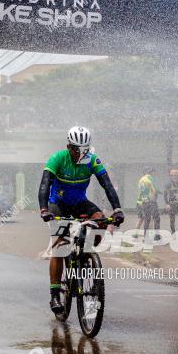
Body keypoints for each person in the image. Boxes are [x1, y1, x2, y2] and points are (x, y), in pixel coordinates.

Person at [39, 126, 125, 315]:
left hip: (79, 203)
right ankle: (55, 294)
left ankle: (84, 256)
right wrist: (44, 209)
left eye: (85, 149)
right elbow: (45, 184)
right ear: (69, 146)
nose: (81, 153)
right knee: (60, 247)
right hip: (58, 205)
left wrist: (117, 209)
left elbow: (107, 185)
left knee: (101, 220)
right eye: (77, 149)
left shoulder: (92, 160)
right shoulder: (57, 158)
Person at [136, 166, 160, 237]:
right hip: (150, 201)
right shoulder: (150, 178)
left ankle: (143, 235)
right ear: (151, 172)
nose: (155, 173)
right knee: (155, 218)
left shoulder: (141, 179)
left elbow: (143, 190)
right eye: (154, 172)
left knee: (145, 218)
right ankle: (155, 235)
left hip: (142, 201)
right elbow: (154, 191)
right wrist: (156, 194)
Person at [164, 167, 178, 232]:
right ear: (170, 175)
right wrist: (167, 204)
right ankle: (173, 233)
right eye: (172, 175)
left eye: (176, 174)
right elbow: (165, 195)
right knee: (172, 220)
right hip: (172, 204)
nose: (174, 176)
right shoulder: (168, 183)